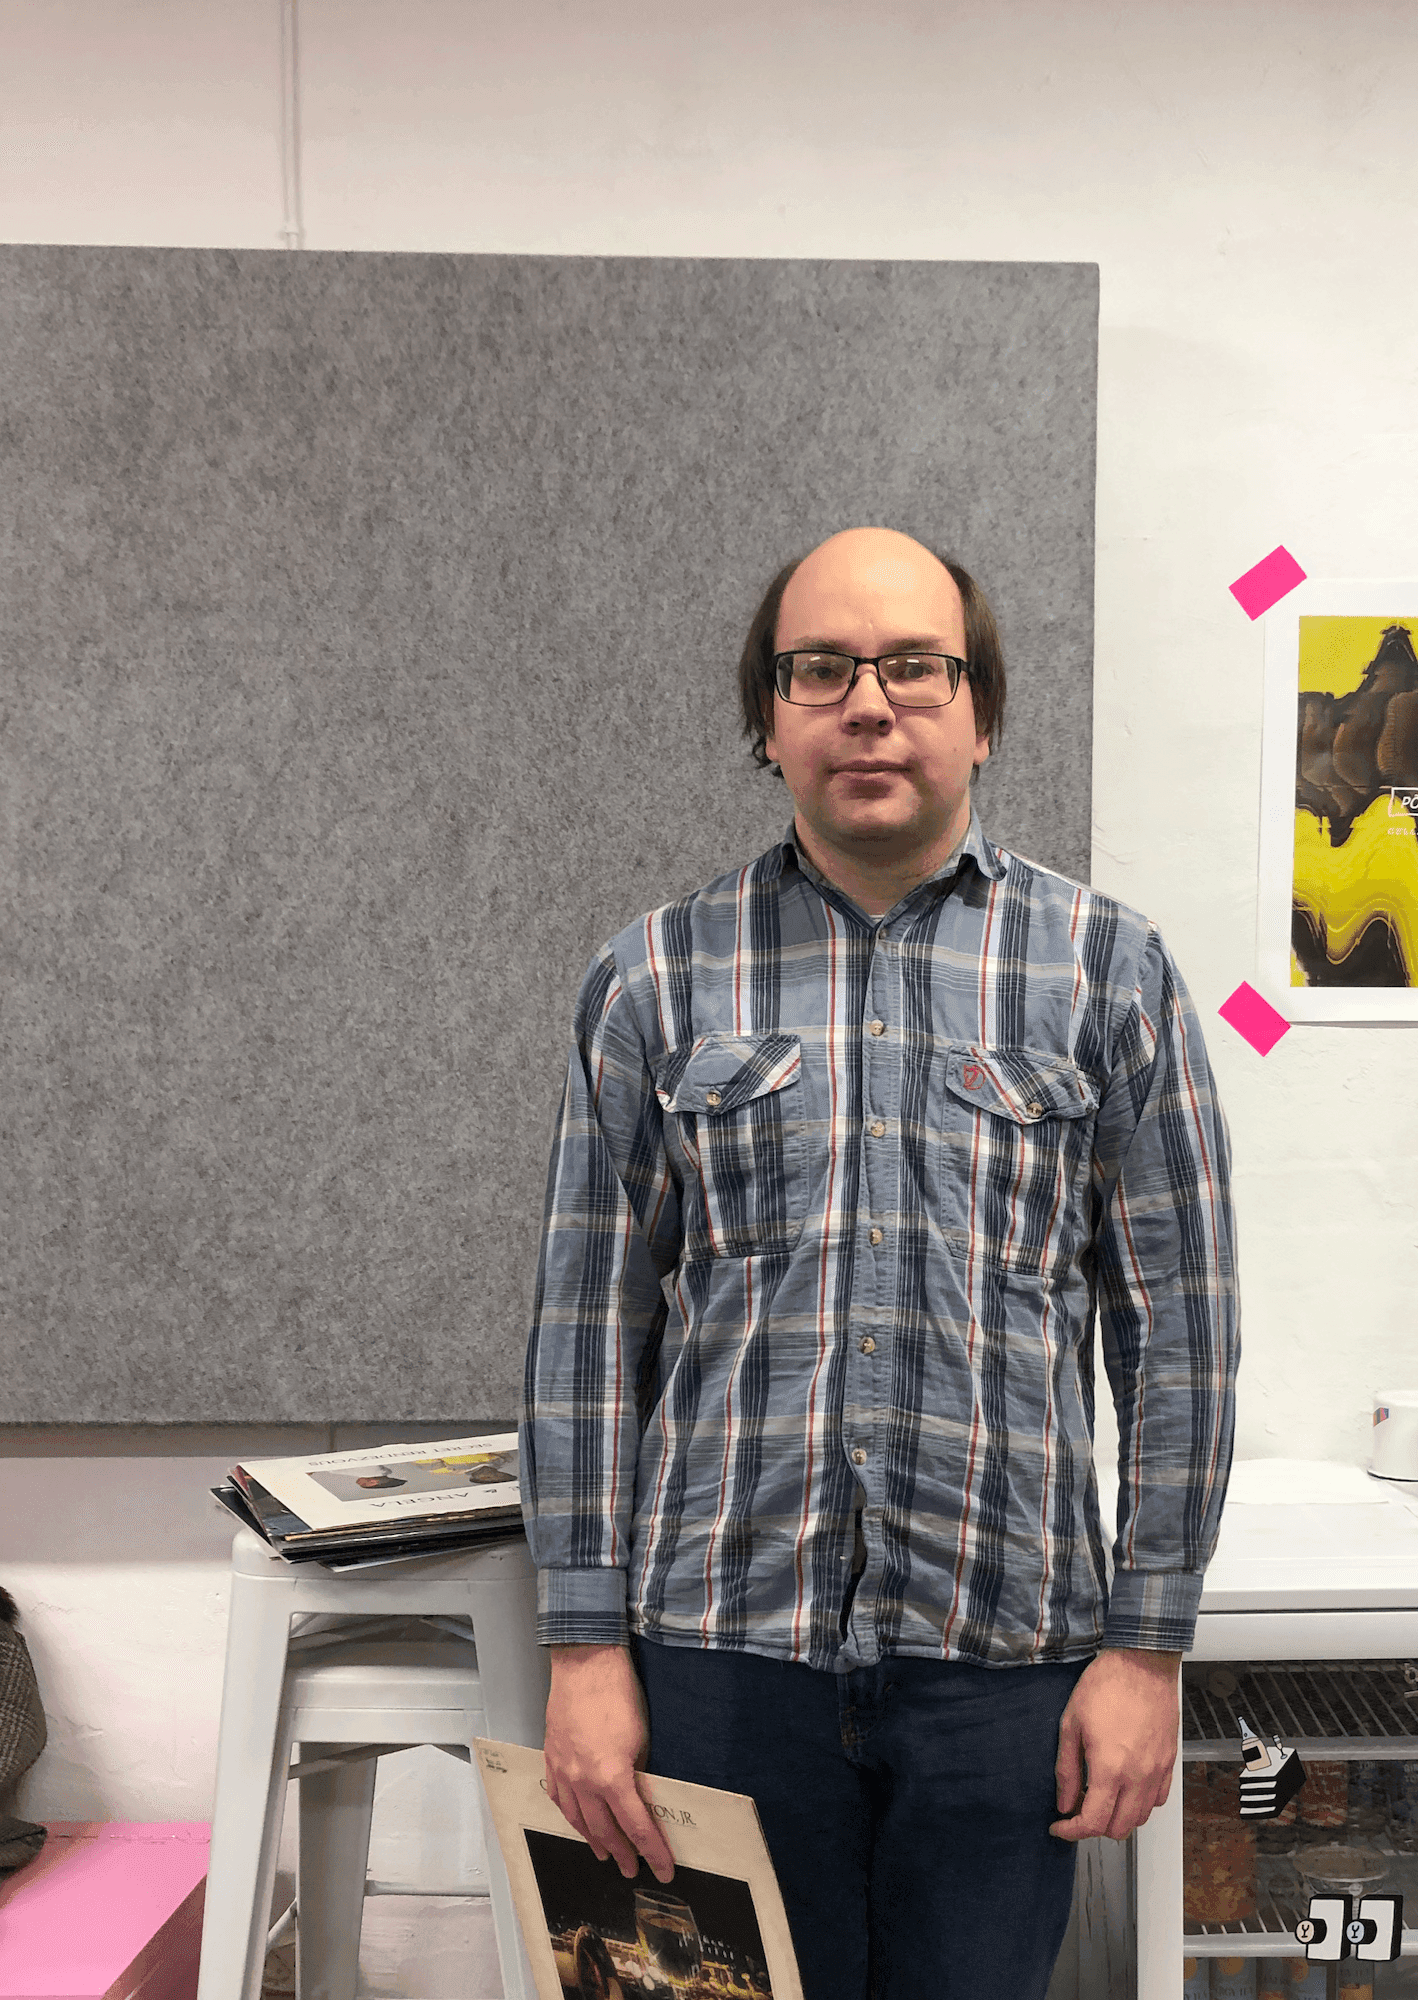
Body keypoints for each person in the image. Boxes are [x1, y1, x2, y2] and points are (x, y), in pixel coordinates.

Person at [522, 527, 1237, 2000]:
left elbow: (1181, 1330)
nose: (869, 704)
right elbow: (587, 1328)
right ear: (768, 716)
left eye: (915, 666)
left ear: (982, 711)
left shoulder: (1110, 971)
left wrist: (1150, 1649)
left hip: (1009, 1661)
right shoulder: (653, 977)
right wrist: (584, 1649)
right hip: (719, 1659)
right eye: (821, 669)